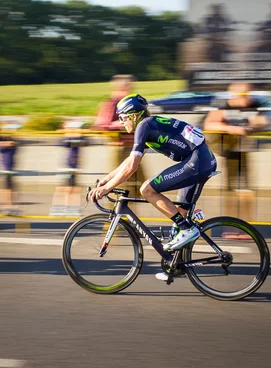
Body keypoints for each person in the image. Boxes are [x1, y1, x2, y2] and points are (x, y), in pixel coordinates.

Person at [89, 94, 217, 273]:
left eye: (122, 118)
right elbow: (129, 160)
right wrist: (106, 180)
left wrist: (106, 189)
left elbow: (132, 167)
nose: (121, 122)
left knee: (147, 189)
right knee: (178, 214)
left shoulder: (143, 126)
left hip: (196, 162)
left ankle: (187, 228)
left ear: (133, 116)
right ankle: (176, 266)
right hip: (202, 160)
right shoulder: (149, 125)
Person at [203, 82, 268, 224]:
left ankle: (247, 223)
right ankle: (230, 224)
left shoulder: (252, 104)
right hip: (229, 150)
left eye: (249, 94)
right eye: (244, 95)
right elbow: (209, 124)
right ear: (235, 95)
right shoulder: (224, 105)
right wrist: (232, 128)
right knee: (231, 190)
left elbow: (263, 121)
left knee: (246, 189)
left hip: (244, 150)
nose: (247, 98)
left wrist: (255, 123)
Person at [92, 74, 145, 196]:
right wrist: (120, 124)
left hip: (135, 147)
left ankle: (131, 212)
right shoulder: (111, 103)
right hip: (121, 148)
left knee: (139, 186)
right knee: (122, 185)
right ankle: (118, 213)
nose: (131, 88)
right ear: (120, 87)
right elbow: (101, 124)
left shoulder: (130, 103)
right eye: (128, 86)